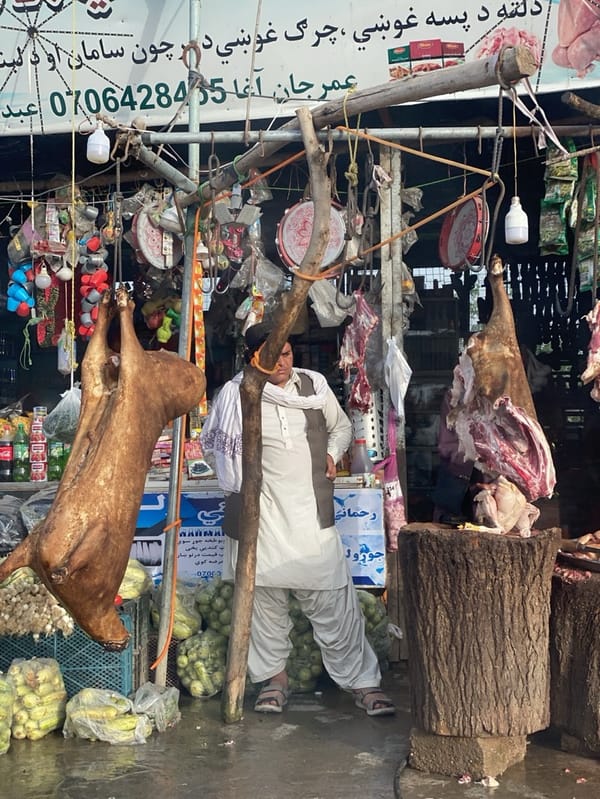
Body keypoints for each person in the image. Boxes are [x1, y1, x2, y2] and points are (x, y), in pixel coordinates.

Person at [200, 322, 395, 717]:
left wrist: (332, 453)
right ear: (254, 358)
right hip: (262, 514)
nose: (283, 363)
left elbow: (340, 428)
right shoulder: (236, 395)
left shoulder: (315, 386)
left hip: (309, 510)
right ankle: (274, 681)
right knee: (263, 602)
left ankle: (363, 682)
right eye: (274, 357)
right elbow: (212, 449)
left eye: (287, 354)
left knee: (332, 598)